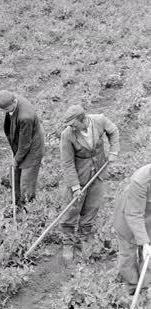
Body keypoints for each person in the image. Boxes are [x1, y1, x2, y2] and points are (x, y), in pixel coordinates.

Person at [59, 105, 119, 263]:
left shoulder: (99, 120)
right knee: (72, 209)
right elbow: (67, 163)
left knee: (92, 206)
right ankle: (68, 242)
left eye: (73, 124)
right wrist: (75, 186)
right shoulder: (67, 135)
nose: (71, 128)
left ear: (83, 120)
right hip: (79, 174)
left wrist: (114, 151)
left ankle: (83, 238)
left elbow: (113, 131)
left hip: (98, 171)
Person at [0, 90, 45, 207]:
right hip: (22, 142)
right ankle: (17, 201)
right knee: (15, 173)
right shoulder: (11, 99)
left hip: (33, 147)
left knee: (26, 181)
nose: (5, 113)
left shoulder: (25, 117)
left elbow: (25, 144)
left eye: (6, 110)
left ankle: (28, 207)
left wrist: (16, 159)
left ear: (13, 102)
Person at [112, 164, 151, 294]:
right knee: (127, 255)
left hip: (149, 217)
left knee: (148, 257)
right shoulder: (141, 180)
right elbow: (134, 214)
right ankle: (132, 286)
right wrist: (144, 243)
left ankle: (145, 288)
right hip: (129, 215)